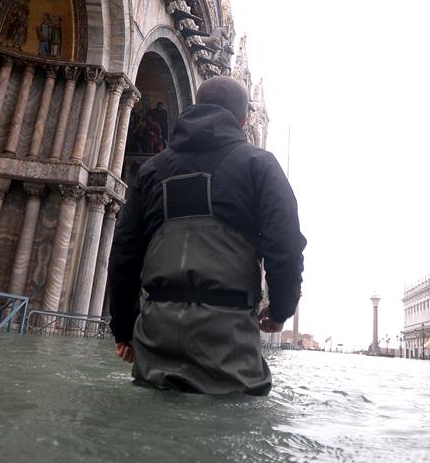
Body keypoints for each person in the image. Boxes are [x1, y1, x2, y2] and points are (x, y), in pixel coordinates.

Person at [107, 76, 305, 395]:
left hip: (155, 340)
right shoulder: (260, 165)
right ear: (242, 121)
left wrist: (123, 328)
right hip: (229, 345)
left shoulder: (151, 170)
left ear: (195, 108)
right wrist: (280, 311)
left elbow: (123, 256)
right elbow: (286, 246)